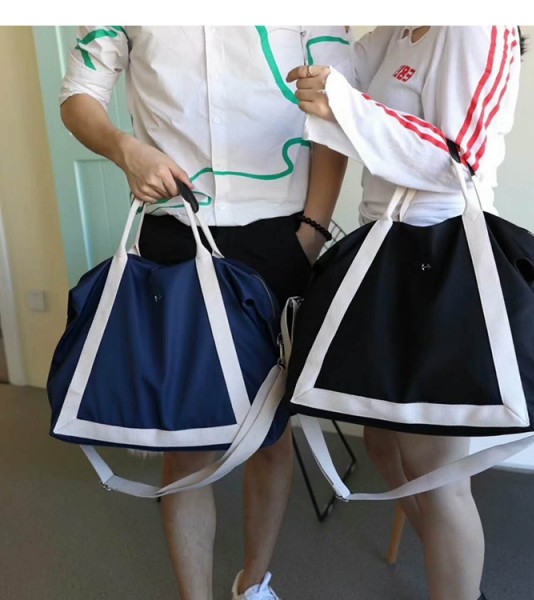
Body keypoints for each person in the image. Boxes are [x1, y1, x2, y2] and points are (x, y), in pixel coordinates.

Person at [59, 25, 351, 600]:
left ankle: (254, 584)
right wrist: (125, 148)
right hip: (174, 231)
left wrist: (312, 233)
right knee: (185, 437)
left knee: (270, 432)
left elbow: (334, 110)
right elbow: (78, 97)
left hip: (279, 236)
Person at [287, 26, 524, 600]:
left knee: (437, 474)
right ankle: (448, 562)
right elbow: (331, 68)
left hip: (442, 260)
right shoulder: (397, 31)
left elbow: (459, 157)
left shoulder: (473, 25)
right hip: (385, 253)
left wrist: (345, 104)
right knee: (382, 444)